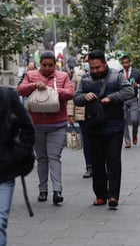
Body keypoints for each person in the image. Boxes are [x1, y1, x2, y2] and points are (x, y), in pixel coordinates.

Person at [73, 50, 134, 208]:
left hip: (114, 125)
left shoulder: (117, 75)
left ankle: (113, 195)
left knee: (113, 160)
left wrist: (111, 98)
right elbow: (76, 98)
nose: (95, 71)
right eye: (92, 68)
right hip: (93, 126)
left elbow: (129, 91)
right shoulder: (85, 79)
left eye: (98, 67)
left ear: (104, 64)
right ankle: (100, 195)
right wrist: (85, 97)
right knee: (97, 162)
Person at [17, 51, 75, 205]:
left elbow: (70, 92)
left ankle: (57, 190)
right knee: (42, 158)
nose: (48, 68)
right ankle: (43, 190)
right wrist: (34, 85)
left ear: (55, 64)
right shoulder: (31, 75)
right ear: (39, 64)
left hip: (58, 124)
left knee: (54, 157)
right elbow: (21, 90)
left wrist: (55, 92)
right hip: (36, 125)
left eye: (51, 65)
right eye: (44, 65)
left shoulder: (62, 76)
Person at [0, 86, 35, 245]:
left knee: (0, 222)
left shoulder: (6, 95)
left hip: (3, 172)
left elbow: (27, 127)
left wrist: (16, 155)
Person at [67, 55, 93, 178]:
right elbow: (72, 95)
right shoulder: (77, 75)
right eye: (86, 61)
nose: (88, 63)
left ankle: (99, 165)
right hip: (82, 114)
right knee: (86, 141)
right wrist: (70, 113)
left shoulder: (100, 75)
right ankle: (89, 166)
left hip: (97, 114)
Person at [119, 54, 140, 148]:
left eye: (127, 62)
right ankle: (127, 141)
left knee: (135, 119)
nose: (125, 64)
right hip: (122, 100)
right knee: (124, 120)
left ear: (130, 62)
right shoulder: (119, 73)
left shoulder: (136, 73)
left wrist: (137, 85)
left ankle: (134, 134)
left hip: (133, 99)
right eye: (123, 63)